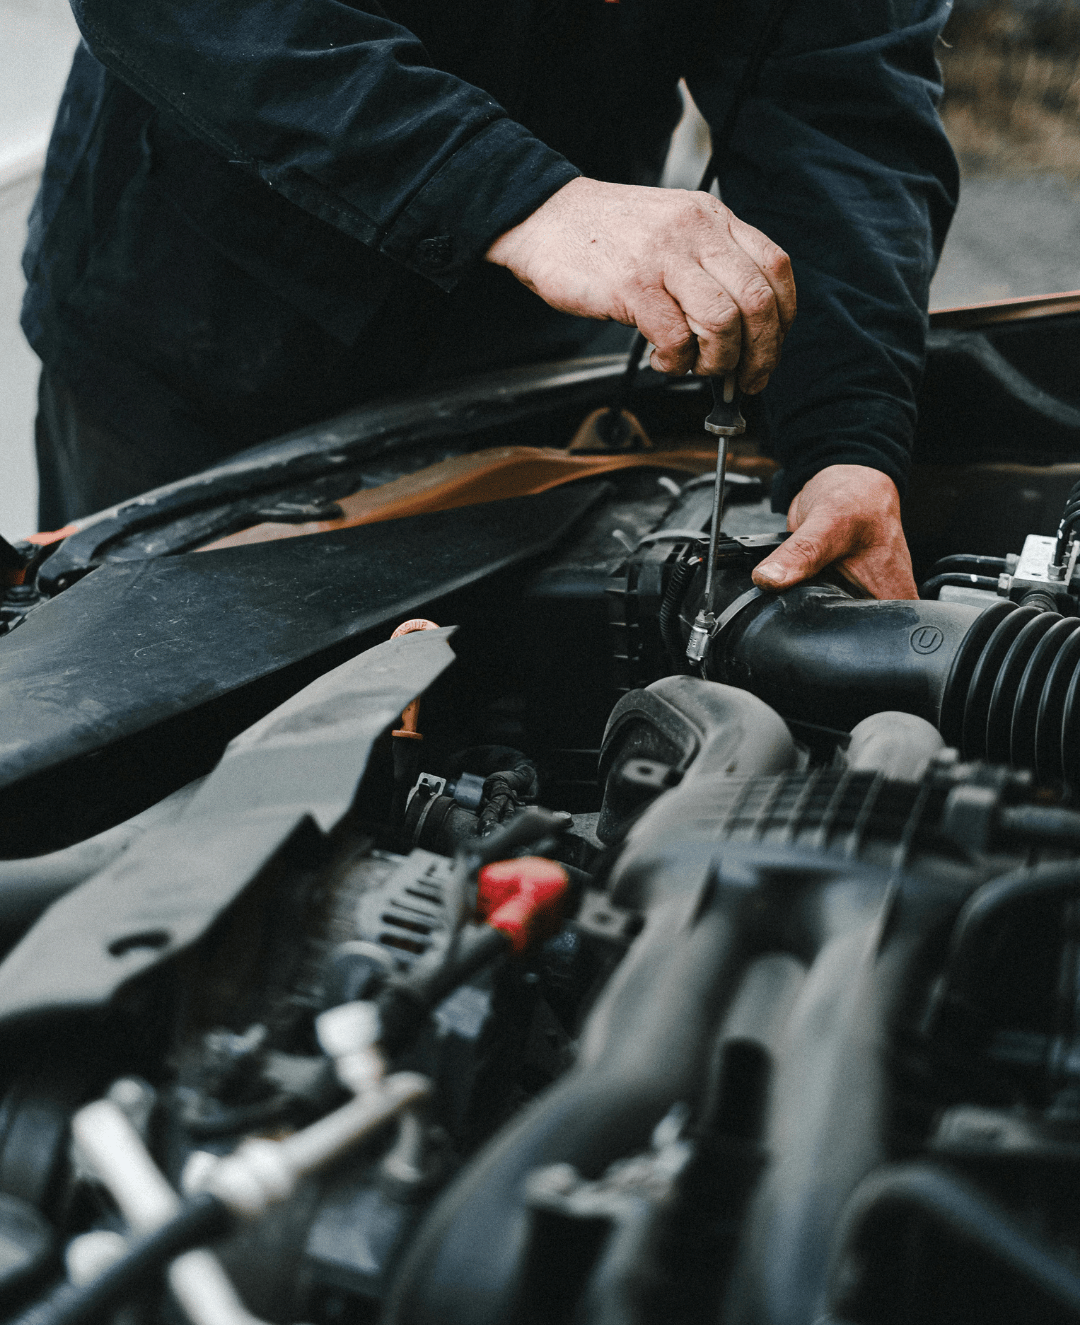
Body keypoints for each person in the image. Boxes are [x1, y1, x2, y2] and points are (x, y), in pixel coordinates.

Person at [22, 0, 957, 601]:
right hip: (196, 324)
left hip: (513, 349)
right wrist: (514, 196)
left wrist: (846, 443)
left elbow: (843, 111)